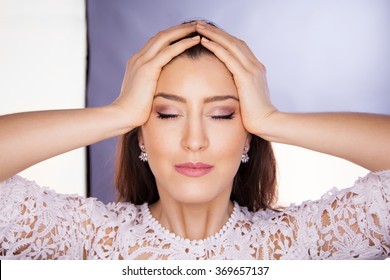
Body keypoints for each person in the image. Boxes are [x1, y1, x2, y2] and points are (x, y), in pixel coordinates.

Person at [0, 20, 389, 260]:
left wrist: (273, 120)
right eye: (168, 114)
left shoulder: (306, 241)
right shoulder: (84, 240)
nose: (194, 141)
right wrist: (118, 113)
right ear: (140, 136)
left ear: (249, 138)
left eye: (221, 114)